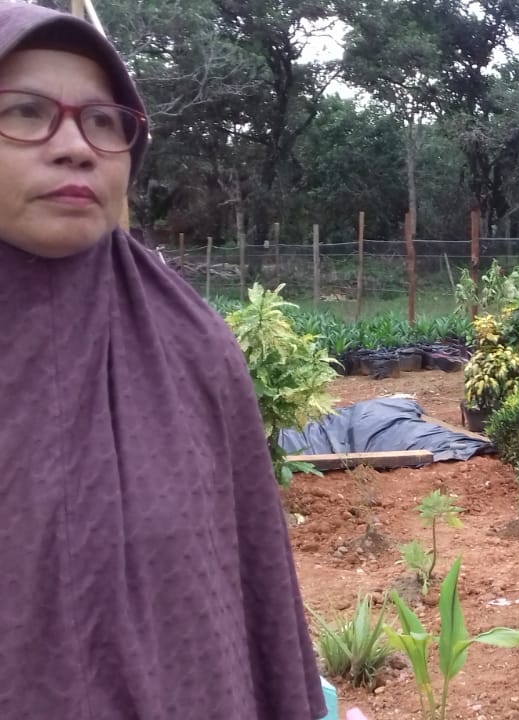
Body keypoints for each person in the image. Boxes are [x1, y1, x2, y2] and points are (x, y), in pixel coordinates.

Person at [0, 4, 326, 718]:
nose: (75, 147)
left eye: (103, 120)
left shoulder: (193, 346)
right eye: (26, 112)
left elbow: (256, 590)